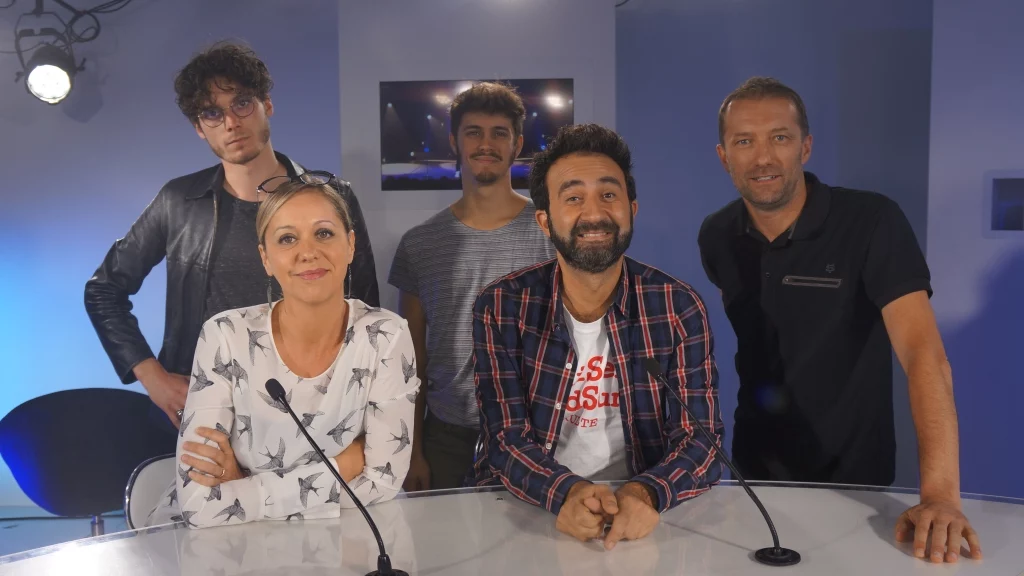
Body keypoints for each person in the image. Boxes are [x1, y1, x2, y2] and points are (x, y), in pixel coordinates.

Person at [698, 76, 981, 563]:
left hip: (855, 473)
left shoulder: (872, 221)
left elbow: (923, 354)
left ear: (805, 147)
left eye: (779, 137)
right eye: (744, 141)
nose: (763, 158)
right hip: (754, 471)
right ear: (724, 156)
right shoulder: (716, 234)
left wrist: (940, 495)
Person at [84, 42, 378, 432]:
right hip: (207, 407)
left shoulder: (331, 197)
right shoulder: (179, 201)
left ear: (266, 105)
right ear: (199, 128)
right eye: (212, 113)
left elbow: (365, 306)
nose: (230, 123)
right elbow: (104, 289)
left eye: (242, 104)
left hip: (313, 403)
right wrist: (152, 377)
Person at [468, 123, 723, 550]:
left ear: (632, 209)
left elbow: (702, 439)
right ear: (545, 220)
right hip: (533, 504)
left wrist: (646, 493)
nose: (594, 213)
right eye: (573, 198)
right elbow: (505, 438)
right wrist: (568, 492)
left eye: (608, 195)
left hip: (643, 508)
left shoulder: (677, 306)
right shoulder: (503, 306)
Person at [145, 177, 416, 528]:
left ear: (351, 245)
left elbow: (383, 482)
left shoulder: (386, 335)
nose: (308, 252)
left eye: (324, 233)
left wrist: (245, 487)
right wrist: (345, 465)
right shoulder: (224, 335)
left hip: (336, 538)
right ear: (266, 258)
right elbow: (200, 506)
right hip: (218, 542)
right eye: (287, 238)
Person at [389, 82, 554, 491]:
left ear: (517, 145)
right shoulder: (419, 244)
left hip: (537, 431)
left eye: (499, 133)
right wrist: (413, 450)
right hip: (446, 438)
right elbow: (412, 359)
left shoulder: (551, 233)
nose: (486, 144)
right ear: (454, 141)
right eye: (474, 132)